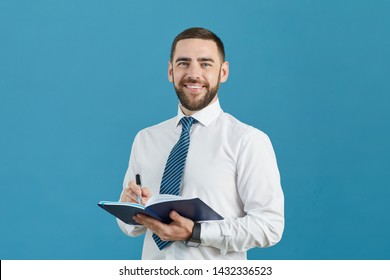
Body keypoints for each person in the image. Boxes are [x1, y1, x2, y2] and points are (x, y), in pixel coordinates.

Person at [117, 27, 284, 260]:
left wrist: (196, 232)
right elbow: (131, 228)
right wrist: (127, 209)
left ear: (223, 72)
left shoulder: (247, 141)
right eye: (183, 63)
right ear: (170, 71)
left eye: (205, 64)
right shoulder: (146, 139)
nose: (194, 74)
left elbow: (269, 226)